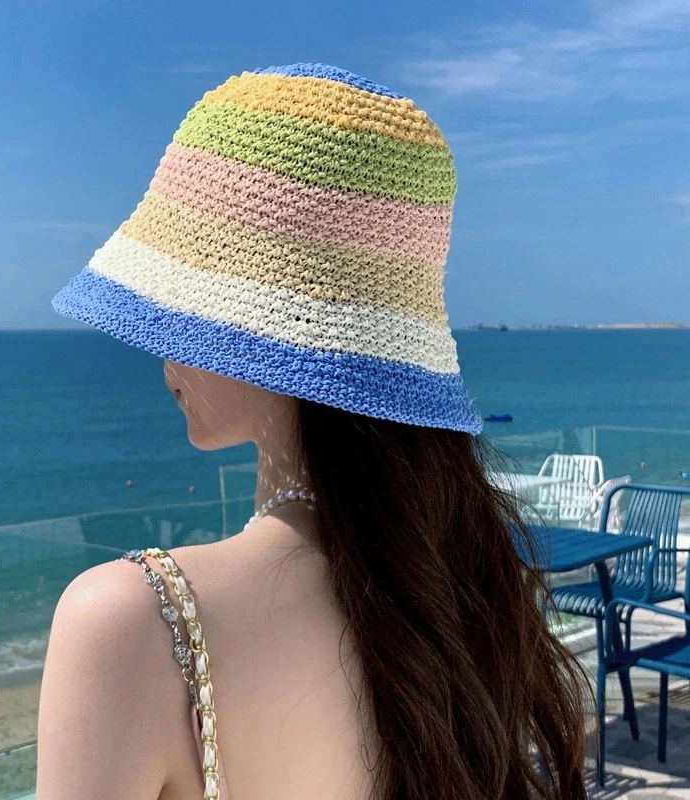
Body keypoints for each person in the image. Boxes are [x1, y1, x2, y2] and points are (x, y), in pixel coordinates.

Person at [39, 63, 588, 800]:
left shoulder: (131, 620)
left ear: (263, 326)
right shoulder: (453, 588)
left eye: (184, 306)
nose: (163, 352)